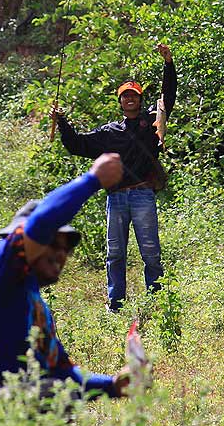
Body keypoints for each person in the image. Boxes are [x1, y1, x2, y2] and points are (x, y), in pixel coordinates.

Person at [0, 153, 132, 426]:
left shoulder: (36, 308)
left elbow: (63, 373)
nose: (60, 254)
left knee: (56, 390)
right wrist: (92, 180)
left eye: (66, 248)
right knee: (49, 395)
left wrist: (111, 385)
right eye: (51, 244)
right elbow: (40, 225)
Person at [52, 44, 176, 312]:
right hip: (116, 198)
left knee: (151, 253)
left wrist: (168, 64)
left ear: (140, 100)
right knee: (115, 254)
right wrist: (62, 122)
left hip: (143, 194)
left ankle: (157, 301)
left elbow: (168, 98)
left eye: (134, 95)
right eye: (125, 96)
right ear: (120, 101)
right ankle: (115, 304)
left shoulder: (153, 123)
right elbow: (77, 145)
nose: (130, 99)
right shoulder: (109, 132)